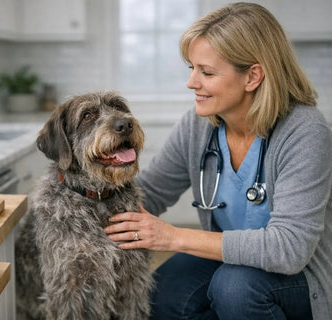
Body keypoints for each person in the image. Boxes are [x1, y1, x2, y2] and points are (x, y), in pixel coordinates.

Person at [104, 2, 332, 320]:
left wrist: (173, 237)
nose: (192, 83)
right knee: (161, 293)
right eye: (192, 69)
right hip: (231, 261)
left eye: (207, 72)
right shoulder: (199, 126)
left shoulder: (305, 131)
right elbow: (150, 192)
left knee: (234, 289)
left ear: (253, 76)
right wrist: (83, 192)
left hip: (301, 276)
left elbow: (289, 249)